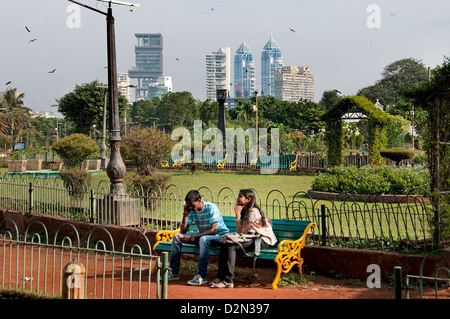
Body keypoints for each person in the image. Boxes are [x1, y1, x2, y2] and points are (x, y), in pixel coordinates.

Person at [209, 189, 277, 288]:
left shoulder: (253, 212)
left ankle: (228, 281)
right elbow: (242, 231)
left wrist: (237, 214)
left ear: (248, 199)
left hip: (263, 240)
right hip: (254, 237)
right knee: (225, 244)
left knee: (230, 246)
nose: (237, 198)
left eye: (240, 196)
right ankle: (221, 277)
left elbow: (240, 231)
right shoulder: (247, 211)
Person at [168, 190, 229, 286]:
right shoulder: (191, 211)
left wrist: (192, 237)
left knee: (203, 239)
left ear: (199, 200)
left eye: (192, 205)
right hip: (202, 237)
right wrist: (185, 216)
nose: (190, 208)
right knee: (177, 237)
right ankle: (174, 273)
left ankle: (201, 276)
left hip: (220, 236)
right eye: (188, 206)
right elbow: (183, 231)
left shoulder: (211, 207)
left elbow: (214, 230)